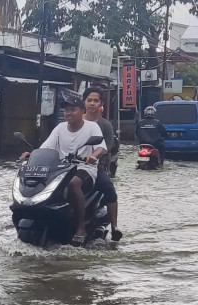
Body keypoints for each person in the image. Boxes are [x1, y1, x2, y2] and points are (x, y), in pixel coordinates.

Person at [21, 89, 107, 246]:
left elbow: (101, 147)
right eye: (66, 110)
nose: (69, 113)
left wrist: (93, 156)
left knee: (73, 183)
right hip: (60, 169)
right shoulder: (60, 128)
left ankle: (80, 226)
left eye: (72, 109)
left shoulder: (92, 127)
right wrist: (32, 154)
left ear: (81, 111)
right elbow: (46, 147)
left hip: (84, 168)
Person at [83, 87, 122, 241]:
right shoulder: (75, 120)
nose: (92, 103)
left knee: (110, 190)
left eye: (96, 100)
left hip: (94, 166)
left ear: (100, 104)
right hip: (70, 165)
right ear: (84, 102)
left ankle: (114, 227)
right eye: (89, 100)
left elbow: (106, 148)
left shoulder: (105, 125)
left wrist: (93, 157)